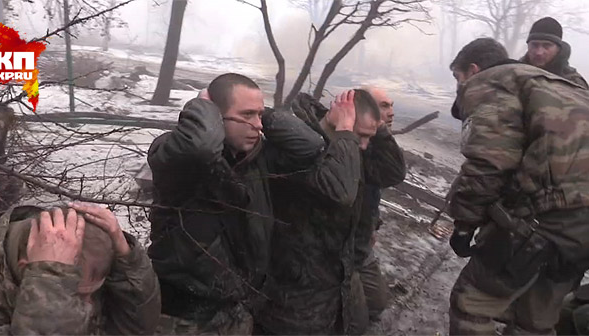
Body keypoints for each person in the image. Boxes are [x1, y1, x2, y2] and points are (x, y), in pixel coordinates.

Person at [147, 73, 325, 334]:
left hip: (238, 308)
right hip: (184, 317)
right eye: (247, 115)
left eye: (259, 115)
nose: (258, 125)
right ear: (215, 117)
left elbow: (311, 146)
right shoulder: (179, 155)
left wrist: (264, 114)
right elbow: (202, 147)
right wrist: (204, 105)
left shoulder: (257, 158)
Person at [447, 37, 589, 335]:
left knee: (472, 304)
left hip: (545, 219)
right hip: (582, 234)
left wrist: (464, 226)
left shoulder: (489, 82)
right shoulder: (561, 86)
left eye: (457, 77)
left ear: (473, 69)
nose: (459, 86)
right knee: (536, 320)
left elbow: (487, 166)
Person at [256, 89, 380, 335]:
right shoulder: (300, 148)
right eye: (362, 135)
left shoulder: (344, 150)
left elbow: (394, 171)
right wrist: (346, 129)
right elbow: (342, 193)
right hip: (290, 296)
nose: (364, 146)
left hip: (331, 286)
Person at [0, 203, 160, 334]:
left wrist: (127, 258)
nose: (89, 307)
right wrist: (50, 282)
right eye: (79, 296)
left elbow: (136, 330)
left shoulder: (80, 268)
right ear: (26, 268)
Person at [356, 87, 406, 322]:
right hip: (342, 247)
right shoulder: (354, 144)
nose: (392, 112)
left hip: (361, 240)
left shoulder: (375, 144)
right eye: (384, 106)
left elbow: (377, 188)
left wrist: (373, 224)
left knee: (377, 304)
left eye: (392, 105)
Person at [520, 17, 588, 89]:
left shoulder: (574, 83)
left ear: (558, 49)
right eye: (534, 45)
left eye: (546, 46)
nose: (539, 52)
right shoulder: (513, 73)